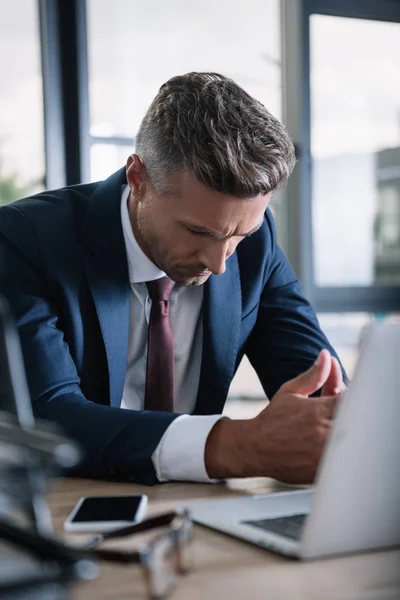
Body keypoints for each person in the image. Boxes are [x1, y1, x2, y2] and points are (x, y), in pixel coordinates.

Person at [0, 72, 346, 486]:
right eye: (199, 232)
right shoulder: (22, 240)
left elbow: (321, 390)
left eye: (240, 235)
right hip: (63, 506)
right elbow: (46, 417)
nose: (219, 263)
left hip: (192, 511)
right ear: (138, 180)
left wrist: (335, 425)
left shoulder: (257, 241)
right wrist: (236, 445)